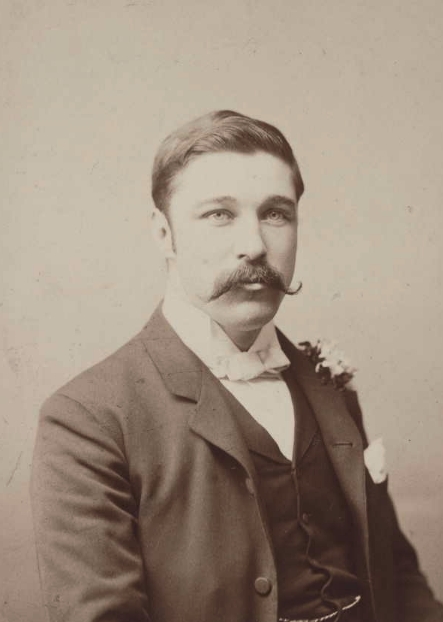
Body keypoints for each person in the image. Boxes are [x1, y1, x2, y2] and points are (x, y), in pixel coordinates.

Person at [31, 110, 443, 622]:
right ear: (164, 233)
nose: (254, 246)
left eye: (276, 213)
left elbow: (398, 577)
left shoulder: (326, 386)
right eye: (219, 215)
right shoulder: (87, 419)